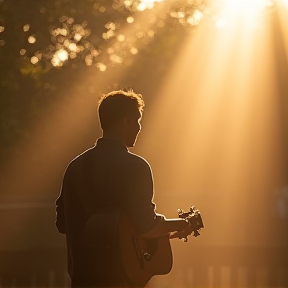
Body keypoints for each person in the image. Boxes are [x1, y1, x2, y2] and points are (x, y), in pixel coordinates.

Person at [55, 90, 192, 288]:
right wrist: (179, 225)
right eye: (137, 121)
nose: (139, 128)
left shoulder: (75, 167)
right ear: (127, 121)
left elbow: (61, 224)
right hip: (121, 281)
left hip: (81, 280)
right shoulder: (136, 167)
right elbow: (147, 226)